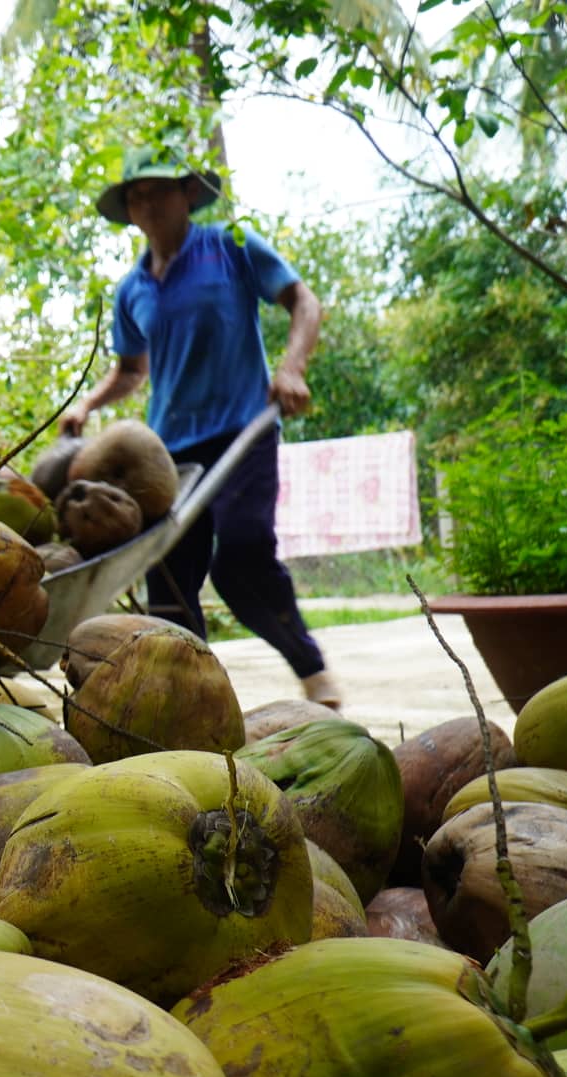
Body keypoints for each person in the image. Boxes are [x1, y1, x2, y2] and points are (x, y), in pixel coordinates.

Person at [59, 148, 342, 710]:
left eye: (159, 189)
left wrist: (291, 368)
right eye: (136, 196)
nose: (148, 202)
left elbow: (303, 300)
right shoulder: (132, 288)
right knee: (167, 588)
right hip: (166, 457)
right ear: (129, 211)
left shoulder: (231, 245)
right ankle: (192, 705)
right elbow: (132, 371)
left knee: (241, 554)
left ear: (188, 194)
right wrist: (88, 403)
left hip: (242, 433)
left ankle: (313, 674)